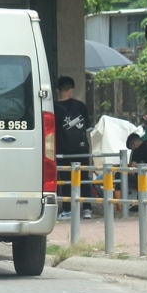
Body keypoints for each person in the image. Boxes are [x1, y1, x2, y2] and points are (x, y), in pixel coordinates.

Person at [54, 75, 93, 220]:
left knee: (65, 181)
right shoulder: (80, 106)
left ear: (58, 90)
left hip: (63, 151)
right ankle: (87, 209)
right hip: (82, 150)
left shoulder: (53, 108)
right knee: (84, 179)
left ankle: (67, 210)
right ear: (71, 90)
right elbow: (87, 127)